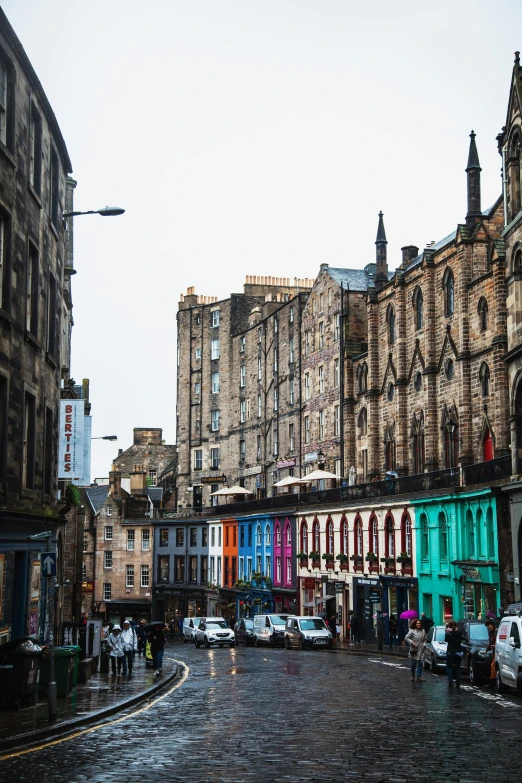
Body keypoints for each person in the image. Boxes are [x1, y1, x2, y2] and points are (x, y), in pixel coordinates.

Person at [445, 620, 464, 688]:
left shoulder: (448, 634)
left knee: (449, 667)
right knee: (457, 668)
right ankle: (458, 683)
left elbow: (446, 640)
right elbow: (462, 639)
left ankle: (450, 682)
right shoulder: (459, 633)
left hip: (450, 652)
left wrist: (447, 632)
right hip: (459, 652)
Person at [485, 618, 497, 684]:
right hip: (494, 651)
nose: (487, 627)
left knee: (493, 665)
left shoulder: (496, 632)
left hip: (498, 651)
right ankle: (492, 680)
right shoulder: (491, 633)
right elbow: (490, 643)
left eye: (488, 625)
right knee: (493, 665)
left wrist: (495, 645)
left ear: (492, 625)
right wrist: (487, 649)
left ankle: (493, 681)